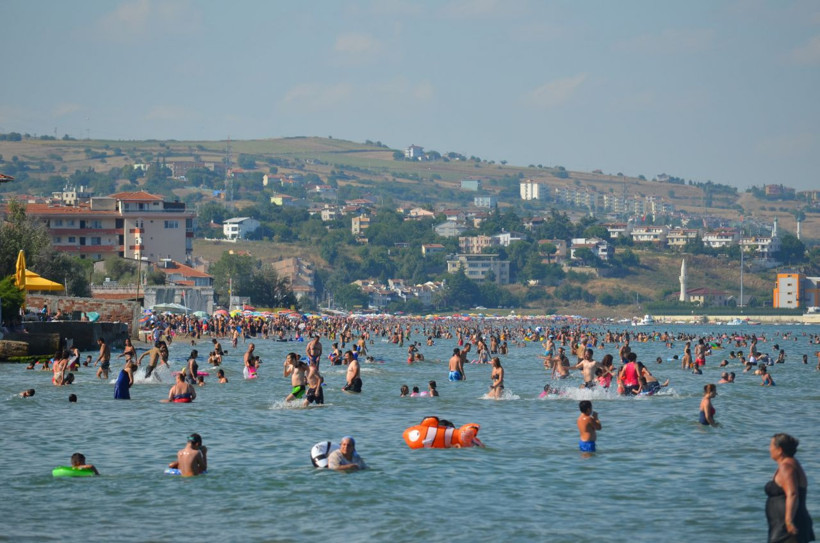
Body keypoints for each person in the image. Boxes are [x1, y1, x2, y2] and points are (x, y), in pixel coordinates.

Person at [766, 433, 815, 543]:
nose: (769, 449)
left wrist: (788, 521)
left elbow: (792, 494)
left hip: (789, 528)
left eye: (771, 446)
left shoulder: (786, 467)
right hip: (783, 527)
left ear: (779, 450)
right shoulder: (791, 463)